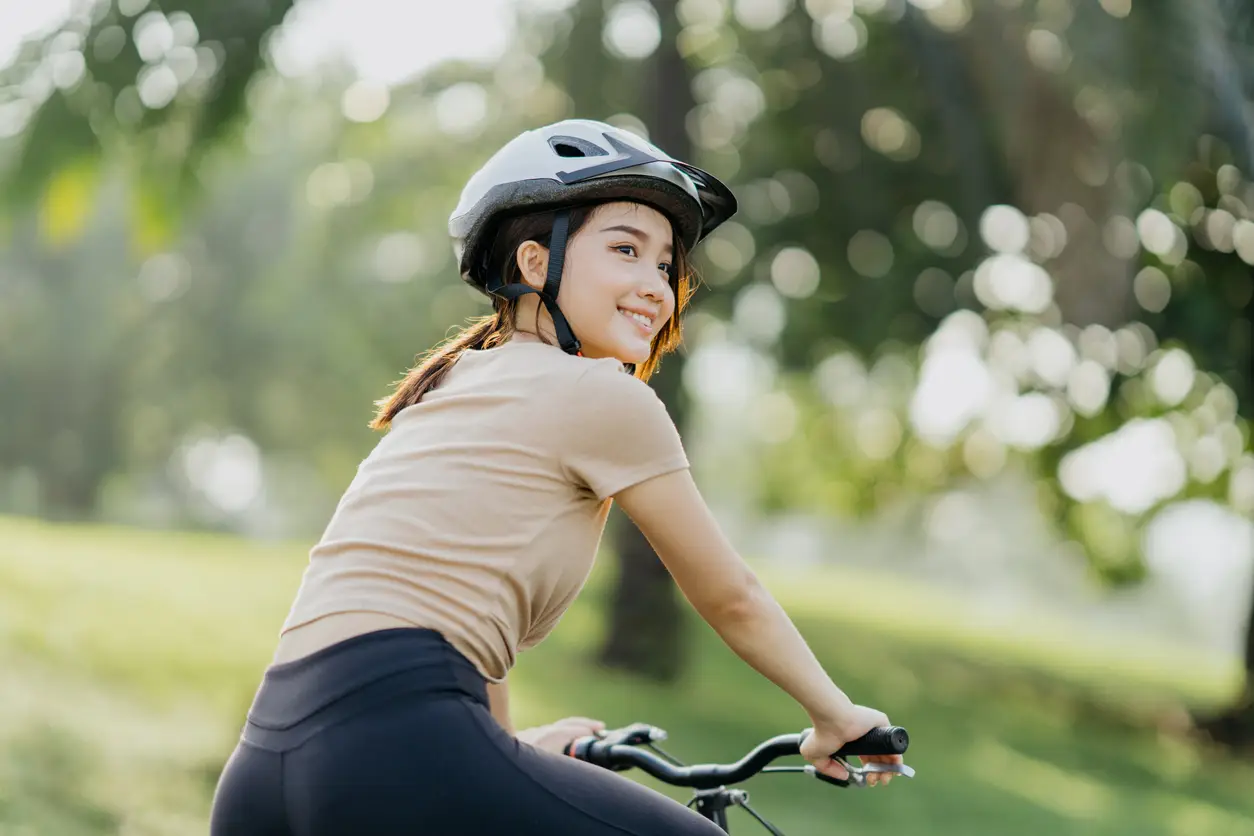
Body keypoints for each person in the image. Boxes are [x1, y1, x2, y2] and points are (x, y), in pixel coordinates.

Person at [209, 118, 901, 836]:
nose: (654, 285)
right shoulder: (605, 397)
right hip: (400, 740)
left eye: (665, 265)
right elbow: (731, 596)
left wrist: (504, 744)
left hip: (268, 766)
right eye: (626, 250)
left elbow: (456, 605)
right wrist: (834, 714)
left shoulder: (452, 385)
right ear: (536, 264)